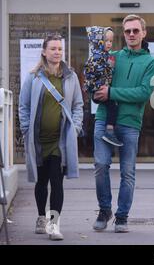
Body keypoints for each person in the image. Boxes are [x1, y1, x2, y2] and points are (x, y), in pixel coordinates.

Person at [92, 14, 154, 233]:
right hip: (104, 118)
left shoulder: (150, 62)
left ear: (143, 33)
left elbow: (143, 93)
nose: (131, 34)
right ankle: (104, 210)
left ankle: (122, 216)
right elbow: (97, 83)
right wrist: (96, 92)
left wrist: (112, 92)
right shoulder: (112, 57)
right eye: (128, 31)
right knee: (101, 165)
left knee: (127, 172)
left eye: (135, 30)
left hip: (130, 123)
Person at [19, 34, 84, 241]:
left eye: (60, 49)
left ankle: (54, 224)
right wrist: (26, 129)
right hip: (38, 140)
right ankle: (40, 217)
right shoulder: (33, 77)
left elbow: (77, 105)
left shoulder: (70, 76)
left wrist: (75, 128)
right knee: (41, 182)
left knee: (57, 182)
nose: (57, 52)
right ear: (44, 52)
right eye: (53, 49)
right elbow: (24, 106)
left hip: (60, 141)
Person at [83, 26, 122, 147]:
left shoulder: (103, 55)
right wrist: (110, 66)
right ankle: (109, 131)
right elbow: (94, 72)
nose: (109, 44)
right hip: (98, 90)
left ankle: (110, 130)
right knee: (113, 106)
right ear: (98, 41)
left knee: (112, 106)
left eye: (111, 41)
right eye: (106, 41)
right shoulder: (97, 57)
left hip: (99, 89)